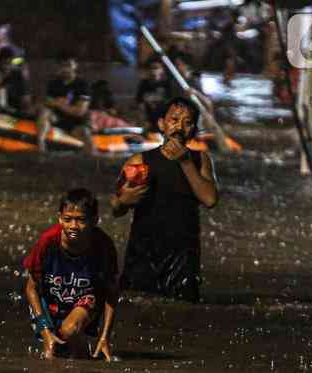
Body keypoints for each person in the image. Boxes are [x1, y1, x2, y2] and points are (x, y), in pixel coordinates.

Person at [111, 97, 218, 303]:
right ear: (161, 124)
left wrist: (185, 162)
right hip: (144, 251)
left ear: (194, 130)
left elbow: (210, 199)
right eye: (174, 119)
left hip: (183, 255)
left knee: (184, 308)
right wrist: (124, 200)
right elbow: (115, 208)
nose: (179, 126)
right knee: (137, 305)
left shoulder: (199, 159)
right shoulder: (141, 161)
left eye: (187, 123)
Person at [23, 188, 119, 361]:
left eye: (81, 220)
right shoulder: (48, 242)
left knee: (70, 330)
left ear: (94, 220)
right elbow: (31, 288)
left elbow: (112, 292)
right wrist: (44, 330)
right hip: (51, 304)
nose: (73, 226)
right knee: (52, 355)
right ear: (60, 217)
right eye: (67, 219)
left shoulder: (103, 246)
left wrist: (105, 337)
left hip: (86, 301)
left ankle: (85, 355)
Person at [38, 55, 91, 153]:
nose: (66, 69)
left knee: (85, 133)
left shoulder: (82, 85)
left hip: (75, 123)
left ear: (75, 65)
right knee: (44, 112)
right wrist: (58, 104)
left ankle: (93, 157)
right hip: (57, 119)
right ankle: (41, 145)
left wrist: (59, 104)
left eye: (69, 65)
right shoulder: (53, 84)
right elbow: (47, 102)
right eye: (63, 66)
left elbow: (80, 112)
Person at [135, 57, 173, 134]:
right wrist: (143, 120)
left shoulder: (168, 84)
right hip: (148, 121)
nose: (153, 70)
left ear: (162, 69)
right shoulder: (144, 84)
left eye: (156, 68)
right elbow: (139, 103)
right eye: (151, 68)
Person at [0, 46, 33, 118]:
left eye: (8, 63)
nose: (6, 67)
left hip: (15, 112)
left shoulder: (18, 75)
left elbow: (25, 98)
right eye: (3, 63)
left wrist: (25, 105)